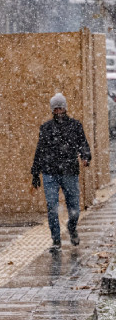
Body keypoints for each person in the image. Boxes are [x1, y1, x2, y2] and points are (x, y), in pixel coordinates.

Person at [31, 93, 91, 251]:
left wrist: (85, 157)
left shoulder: (75, 126)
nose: (58, 111)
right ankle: (56, 240)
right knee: (52, 206)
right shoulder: (46, 128)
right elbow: (40, 150)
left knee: (75, 209)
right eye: (56, 108)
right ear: (52, 110)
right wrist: (35, 172)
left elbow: (82, 142)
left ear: (65, 108)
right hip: (50, 172)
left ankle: (72, 227)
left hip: (69, 171)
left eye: (61, 107)